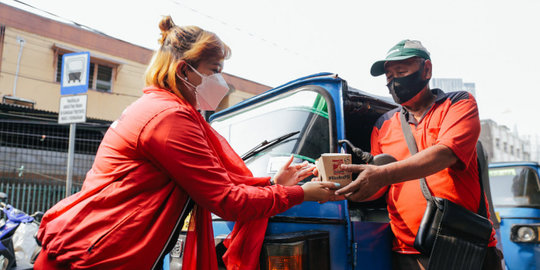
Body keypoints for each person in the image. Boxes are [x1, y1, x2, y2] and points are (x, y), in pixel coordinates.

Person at [34, 16, 338, 270]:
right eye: (215, 70)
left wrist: (272, 183)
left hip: (93, 248)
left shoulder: (157, 108)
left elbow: (210, 180)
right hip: (91, 257)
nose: (223, 81)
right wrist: (299, 193)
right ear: (184, 71)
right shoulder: (168, 117)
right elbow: (227, 199)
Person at [335, 39, 503, 269]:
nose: (394, 81)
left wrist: (382, 174)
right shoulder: (382, 125)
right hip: (407, 251)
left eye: (401, 71)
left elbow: (445, 154)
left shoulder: (458, 104)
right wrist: (346, 190)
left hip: (465, 244)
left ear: (427, 70)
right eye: (389, 76)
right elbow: (380, 188)